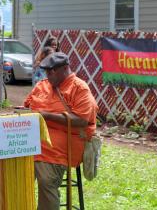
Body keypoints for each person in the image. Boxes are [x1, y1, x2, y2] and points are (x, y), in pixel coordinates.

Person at [24, 52, 97, 210]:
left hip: (60, 147)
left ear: (65, 69)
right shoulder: (42, 85)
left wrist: (47, 116)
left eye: (51, 72)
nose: (48, 76)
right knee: (14, 173)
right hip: (32, 143)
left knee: (46, 180)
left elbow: (82, 120)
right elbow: (26, 106)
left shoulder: (79, 88)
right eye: (46, 72)